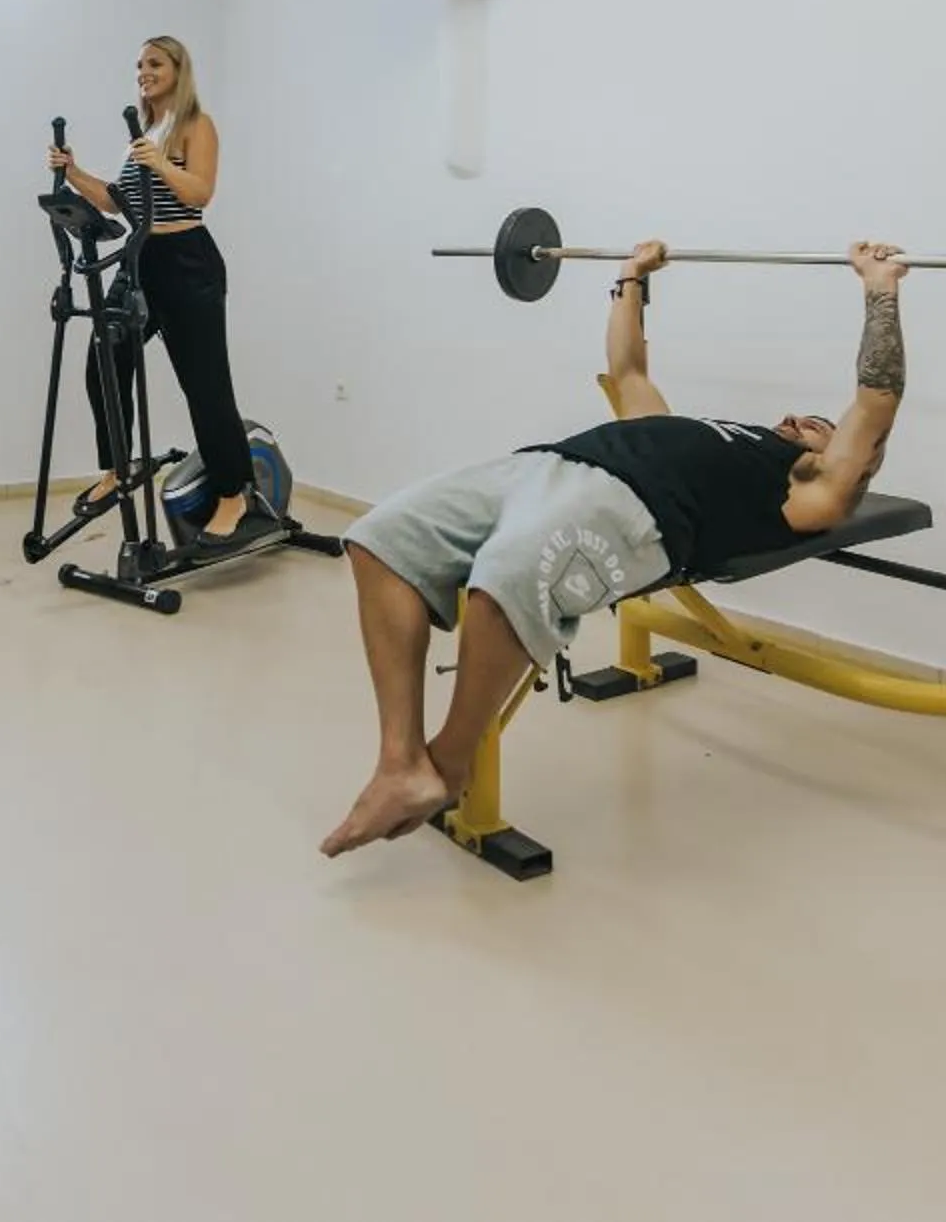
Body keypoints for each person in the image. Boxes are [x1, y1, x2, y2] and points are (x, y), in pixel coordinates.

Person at [320, 239, 909, 857]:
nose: (793, 417)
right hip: (545, 466)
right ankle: (398, 761)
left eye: (816, 423)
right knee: (381, 537)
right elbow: (629, 372)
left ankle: (448, 764)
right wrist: (631, 278)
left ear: (853, 461)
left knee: (507, 576)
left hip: (635, 508)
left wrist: (880, 288)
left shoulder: (806, 490)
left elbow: (875, 402)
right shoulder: (701, 432)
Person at [44, 36, 280, 556]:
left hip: (188, 261)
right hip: (141, 258)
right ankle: (119, 469)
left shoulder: (195, 125)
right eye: (139, 65)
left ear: (178, 70)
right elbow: (117, 202)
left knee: (204, 383)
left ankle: (232, 496)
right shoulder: (145, 134)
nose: (143, 72)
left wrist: (161, 163)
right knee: (105, 359)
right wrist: (74, 172)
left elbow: (199, 193)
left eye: (154, 63)